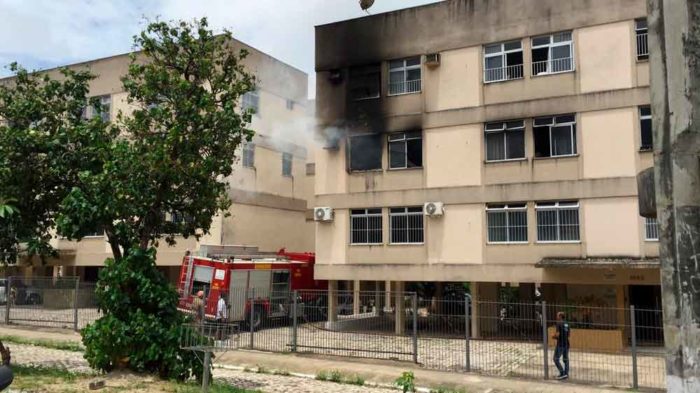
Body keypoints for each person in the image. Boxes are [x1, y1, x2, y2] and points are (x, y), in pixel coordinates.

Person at [552, 311, 570, 380]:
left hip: (560, 344)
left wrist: (553, 336)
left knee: (555, 359)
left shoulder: (559, 323)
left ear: (560, 317)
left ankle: (562, 373)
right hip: (567, 344)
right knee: (566, 359)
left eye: (557, 315)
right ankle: (566, 374)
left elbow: (557, 334)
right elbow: (568, 335)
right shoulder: (567, 324)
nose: (556, 317)